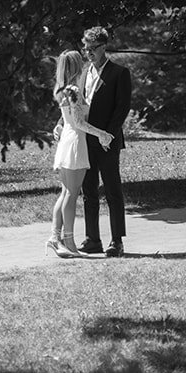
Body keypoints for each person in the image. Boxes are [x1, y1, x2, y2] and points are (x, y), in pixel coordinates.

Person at [47, 49, 113, 259]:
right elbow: (79, 122)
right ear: (77, 66)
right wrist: (102, 134)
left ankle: (54, 237)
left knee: (66, 192)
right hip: (75, 142)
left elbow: (69, 120)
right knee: (72, 193)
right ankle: (68, 241)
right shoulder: (74, 90)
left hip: (67, 140)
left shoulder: (62, 89)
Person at [78, 25, 132, 258]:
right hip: (85, 138)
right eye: (85, 48)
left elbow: (122, 107)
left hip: (107, 140)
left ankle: (116, 240)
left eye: (93, 48)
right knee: (88, 190)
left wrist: (107, 135)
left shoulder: (119, 73)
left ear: (104, 47)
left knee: (112, 189)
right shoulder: (83, 72)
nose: (88, 52)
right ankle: (92, 239)